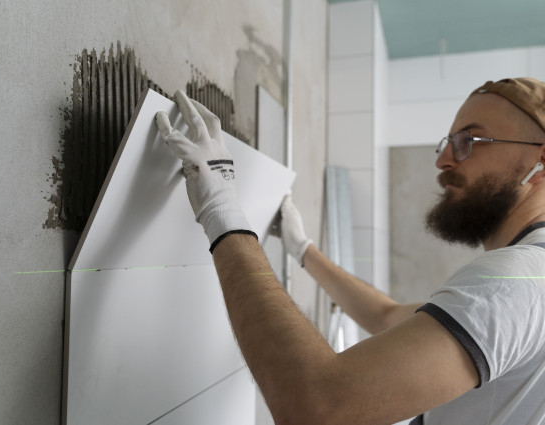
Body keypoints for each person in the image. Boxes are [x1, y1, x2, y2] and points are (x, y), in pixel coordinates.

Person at [155, 77, 545, 425]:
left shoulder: (516, 281)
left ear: (540, 160)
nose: (443, 161)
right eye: (448, 143)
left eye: (468, 142)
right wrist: (303, 249)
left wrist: (222, 213)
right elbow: (386, 315)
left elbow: (318, 408)